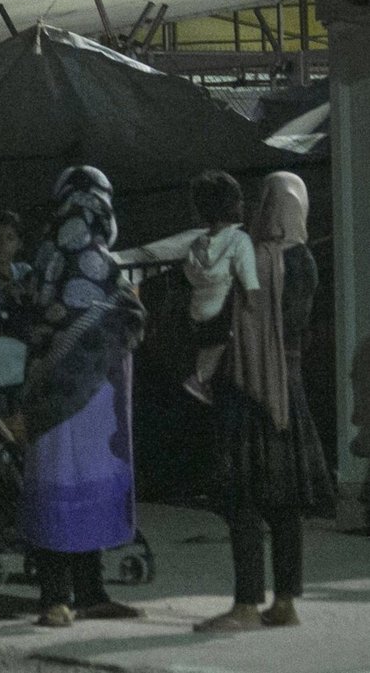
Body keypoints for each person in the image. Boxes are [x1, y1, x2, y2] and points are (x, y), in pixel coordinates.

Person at [195, 170, 335, 633]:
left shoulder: (254, 258)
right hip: (288, 389)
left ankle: (245, 606)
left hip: (248, 387)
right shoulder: (306, 262)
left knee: (244, 498)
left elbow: (220, 317)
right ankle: (286, 602)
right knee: (285, 502)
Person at [7, 165, 146, 627]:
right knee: (72, 486)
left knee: (66, 486)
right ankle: (61, 597)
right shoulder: (102, 264)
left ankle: (78, 594)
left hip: (57, 397)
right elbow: (128, 318)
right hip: (91, 399)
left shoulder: (47, 259)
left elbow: (31, 316)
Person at [182, 170, 259, 404]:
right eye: (239, 198)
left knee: (210, 347)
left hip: (197, 312)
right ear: (231, 205)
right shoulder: (239, 240)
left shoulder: (196, 244)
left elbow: (190, 274)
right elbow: (250, 284)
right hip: (221, 315)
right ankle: (199, 379)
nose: (243, 203)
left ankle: (200, 377)